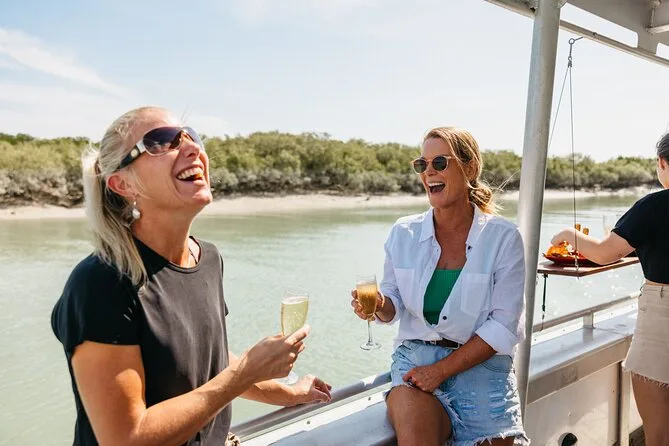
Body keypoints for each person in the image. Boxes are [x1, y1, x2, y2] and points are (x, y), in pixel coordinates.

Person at [51, 106, 331, 446]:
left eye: (191, 136)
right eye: (161, 141)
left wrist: (288, 393)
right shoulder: (101, 283)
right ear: (122, 183)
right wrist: (245, 373)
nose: (192, 147)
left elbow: (208, 360)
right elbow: (126, 439)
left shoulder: (208, 258)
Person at [351, 127, 529, 446]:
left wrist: (441, 371)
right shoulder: (402, 233)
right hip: (415, 367)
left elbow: (503, 326)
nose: (429, 172)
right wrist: (380, 305)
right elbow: (393, 304)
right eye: (422, 164)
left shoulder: (504, 238)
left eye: (440, 163)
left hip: (483, 369)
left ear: (470, 168)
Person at [551, 131, 669, 446]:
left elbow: (604, 253)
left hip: (663, 315)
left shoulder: (654, 206)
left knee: (659, 434)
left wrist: (569, 234)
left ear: (662, 163)